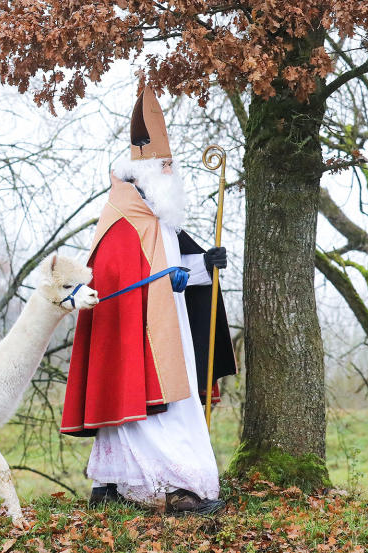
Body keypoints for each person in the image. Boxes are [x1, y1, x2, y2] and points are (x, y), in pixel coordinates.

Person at [60, 87, 237, 514]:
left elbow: (173, 273)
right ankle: (175, 491)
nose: (171, 174)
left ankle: (115, 487)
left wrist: (205, 265)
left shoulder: (158, 218)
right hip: (139, 336)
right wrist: (170, 278)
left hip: (166, 331)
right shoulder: (123, 218)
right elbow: (121, 279)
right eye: (166, 166)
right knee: (154, 412)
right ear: (147, 171)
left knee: (163, 408)